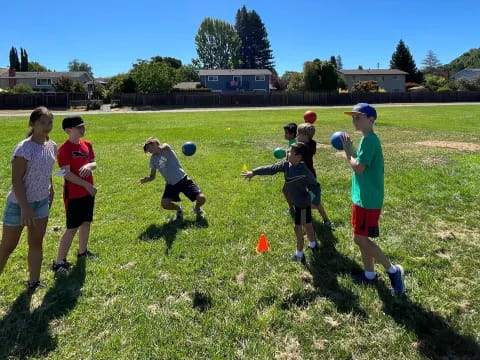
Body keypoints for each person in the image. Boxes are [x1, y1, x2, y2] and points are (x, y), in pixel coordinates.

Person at [341, 103, 405, 295]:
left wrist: (346, 153)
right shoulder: (366, 139)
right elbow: (360, 158)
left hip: (368, 199)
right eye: (353, 117)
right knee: (362, 238)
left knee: (359, 238)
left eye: (358, 117)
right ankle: (369, 274)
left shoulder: (370, 141)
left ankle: (393, 270)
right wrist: (350, 147)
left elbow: (359, 167)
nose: (354, 120)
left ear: (371, 119)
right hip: (361, 196)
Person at [0, 107, 57, 289]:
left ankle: (34, 282)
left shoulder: (51, 146)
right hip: (19, 205)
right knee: (8, 247)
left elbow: (46, 171)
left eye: (49, 122)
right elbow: (16, 181)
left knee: (36, 243)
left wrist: (51, 190)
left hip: (41, 202)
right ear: (32, 124)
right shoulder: (24, 148)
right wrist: (25, 208)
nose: (46, 126)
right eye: (42, 123)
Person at [242, 142, 320, 262]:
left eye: (290, 152)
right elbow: (271, 169)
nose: (287, 153)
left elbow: (315, 185)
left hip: (302, 204)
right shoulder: (286, 165)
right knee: (307, 224)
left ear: (298, 157)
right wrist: (254, 172)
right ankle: (313, 245)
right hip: (298, 203)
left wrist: (314, 200)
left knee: (298, 228)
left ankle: (299, 254)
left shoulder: (304, 171)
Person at [52, 116, 97, 274]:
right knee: (72, 228)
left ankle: (82, 251)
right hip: (74, 194)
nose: (83, 129)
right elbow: (66, 174)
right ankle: (59, 262)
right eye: (79, 127)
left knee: (86, 223)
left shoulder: (87, 144)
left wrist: (89, 165)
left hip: (88, 191)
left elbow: (94, 162)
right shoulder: (64, 150)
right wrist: (87, 185)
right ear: (68, 131)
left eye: (83, 126)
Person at [139, 137, 206, 221]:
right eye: (147, 150)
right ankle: (179, 209)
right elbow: (152, 176)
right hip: (171, 185)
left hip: (184, 180)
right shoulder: (153, 159)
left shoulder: (167, 149)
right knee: (164, 204)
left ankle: (197, 208)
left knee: (202, 198)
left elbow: (165, 145)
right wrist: (146, 179)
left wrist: (159, 149)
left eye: (149, 147)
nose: (149, 150)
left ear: (155, 143)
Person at [296, 123, 332, 228]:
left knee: (315, 203)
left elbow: (307, 149)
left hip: (310, 178)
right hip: (300, 178)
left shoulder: (310, 145)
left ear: (305, 136)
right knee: (302, 200)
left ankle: (326, 219)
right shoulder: (301, 145)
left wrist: (298, 146)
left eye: (299, 134)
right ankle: (304, 224)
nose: (297, 136)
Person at [282, 122, 298, 216]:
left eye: (286, 133)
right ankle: (293, 208)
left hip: (292, 172)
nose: (285, 135)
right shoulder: (291, 142)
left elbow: (292, 158)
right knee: (288, 191)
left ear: (292, 134)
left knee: (286, 190)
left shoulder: (294, 144)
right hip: (289, 170)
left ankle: (293, 209)